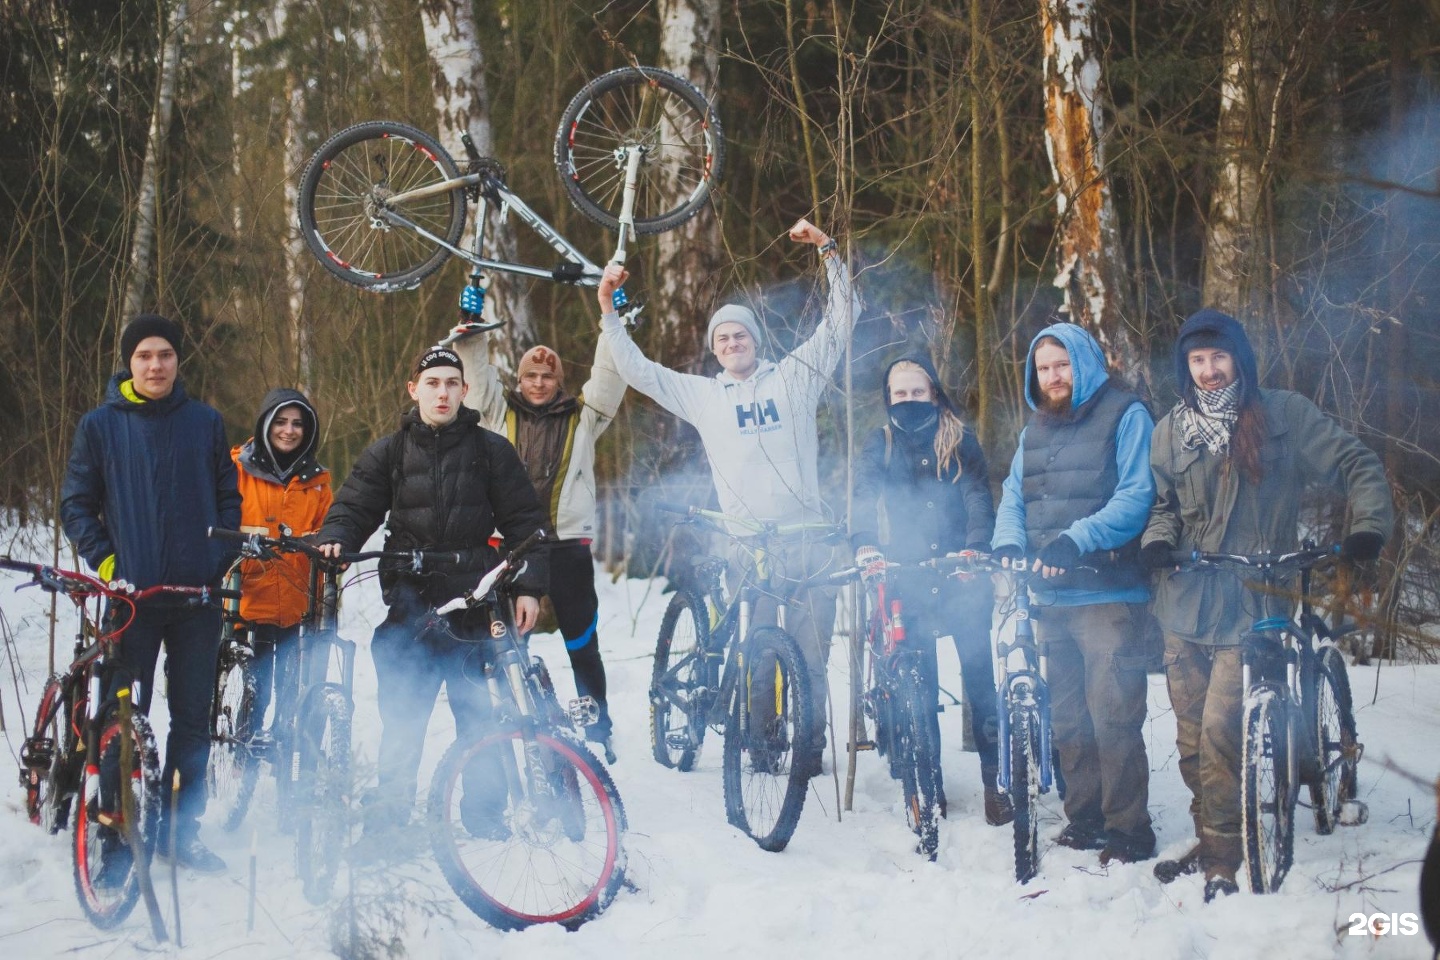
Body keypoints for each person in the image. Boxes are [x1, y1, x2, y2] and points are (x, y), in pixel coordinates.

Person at [1141, 309, 1392, 901]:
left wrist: (1368, 530)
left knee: (1224, 730)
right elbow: (1165, 504)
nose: (1208, 371)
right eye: (1197, 361)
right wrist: (1155, 539)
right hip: (1186, 602)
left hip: (1258, 601)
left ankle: (1224, 862)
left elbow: (1358, 464)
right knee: (1191, 740)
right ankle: (1214, 831)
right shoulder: (1169, 430)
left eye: (1218, 358)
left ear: (1240, 359)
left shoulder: (1284, 416)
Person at [596, 218, 858, 769]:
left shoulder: (794, 377)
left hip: (808, 539)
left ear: (755, 341)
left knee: (811, 652)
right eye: (722, 338)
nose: (731, 342)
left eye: (739, 334)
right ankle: (764, 746)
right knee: (759, 652)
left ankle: (809, 749)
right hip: (749, 545)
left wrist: (828, 251)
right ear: (714, 350)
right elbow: (636, 370)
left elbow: (841, 320)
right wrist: (608, 311)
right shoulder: (702, 396)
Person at [316, 346, 546, 847]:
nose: (442, 392)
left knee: (481, 717)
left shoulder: (491, 450)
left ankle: (484, 815)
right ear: (413, 389)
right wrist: (336, 537)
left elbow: (526, 524)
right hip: (411, 606)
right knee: (402, 720)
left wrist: (528, 585)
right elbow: (354, 507)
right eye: (432, 382)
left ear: (465, 390)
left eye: (451, 383)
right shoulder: (390, 452)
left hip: (476, 602)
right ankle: (390, 820)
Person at [61, 313, 242, 874]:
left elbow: (229, 501)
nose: (155, 365)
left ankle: (179, 834)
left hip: (195, 600)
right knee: (120, 719)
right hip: (131, 600)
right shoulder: (100, 425)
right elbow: (76, 504)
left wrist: (216, 562)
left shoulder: (205, 422)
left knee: (191, 720)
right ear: (129, 362)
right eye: (144, 356)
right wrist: (110, 561)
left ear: (178, 360)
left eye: (165, 354)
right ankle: (115, 833)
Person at [990, 321, 1158, 866]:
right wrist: (1009, 543)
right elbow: (1013, 494)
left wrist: (1075, 539)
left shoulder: (1126, 413)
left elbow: (1137, 496)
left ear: (1084, 362)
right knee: (1067, 718)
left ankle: (1129, 829)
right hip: (1052, 596)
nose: (1053, 376)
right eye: (1043, 368)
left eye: (1062, 364)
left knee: (1113, 715)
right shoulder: (1035, 427)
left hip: (1108, 594)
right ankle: (1084, 819)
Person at [850, 355, 1012, 826]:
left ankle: (995, 783)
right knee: (918, 684)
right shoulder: (879, 443)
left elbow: (978, 495)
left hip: (961, 571)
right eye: (899, 394)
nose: (908, 401)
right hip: (908, 575)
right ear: (888, 400)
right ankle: (929, 782)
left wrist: (977, 547)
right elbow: (863, 494)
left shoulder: (960, 440)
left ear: (934, 394)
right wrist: (864, 544)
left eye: (917, 393)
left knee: (980, 678)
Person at [452, 332, 626, 758]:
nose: (538, 382)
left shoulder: (583, 416)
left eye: (548, 376)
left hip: (567, 543)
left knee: (581, 640)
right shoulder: (497, 412)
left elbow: (608, 378)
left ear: (559, 380)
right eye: (531, 374)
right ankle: (514, 723)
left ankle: (597, 725)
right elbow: (476, 374)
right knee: (511, 641)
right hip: (509, 546)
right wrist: (470, 332)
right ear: (520, 377)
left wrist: (613, 325)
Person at [230, 389, 333, 745]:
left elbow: (330, 531)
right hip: (247, 603)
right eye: (281, 422)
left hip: (296, 604)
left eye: (298, 424)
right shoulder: (237, 471)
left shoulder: (318, 483)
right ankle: (240, 762)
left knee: (292, 694)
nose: (289, 431)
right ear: (265, 424)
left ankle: (289, 769)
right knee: (254, 693)